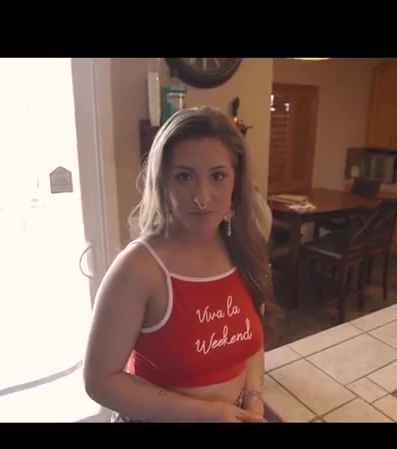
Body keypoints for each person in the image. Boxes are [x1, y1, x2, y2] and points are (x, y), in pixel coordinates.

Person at [83, 106, 278, 422]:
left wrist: (254, 401)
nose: (202, 197)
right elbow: (100, 381)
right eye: (184, 177)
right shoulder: (138, 269)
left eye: (217, 176)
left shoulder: (245, 251)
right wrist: (206, 413)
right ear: (162, 182)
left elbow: (250, 344)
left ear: (236, 181)